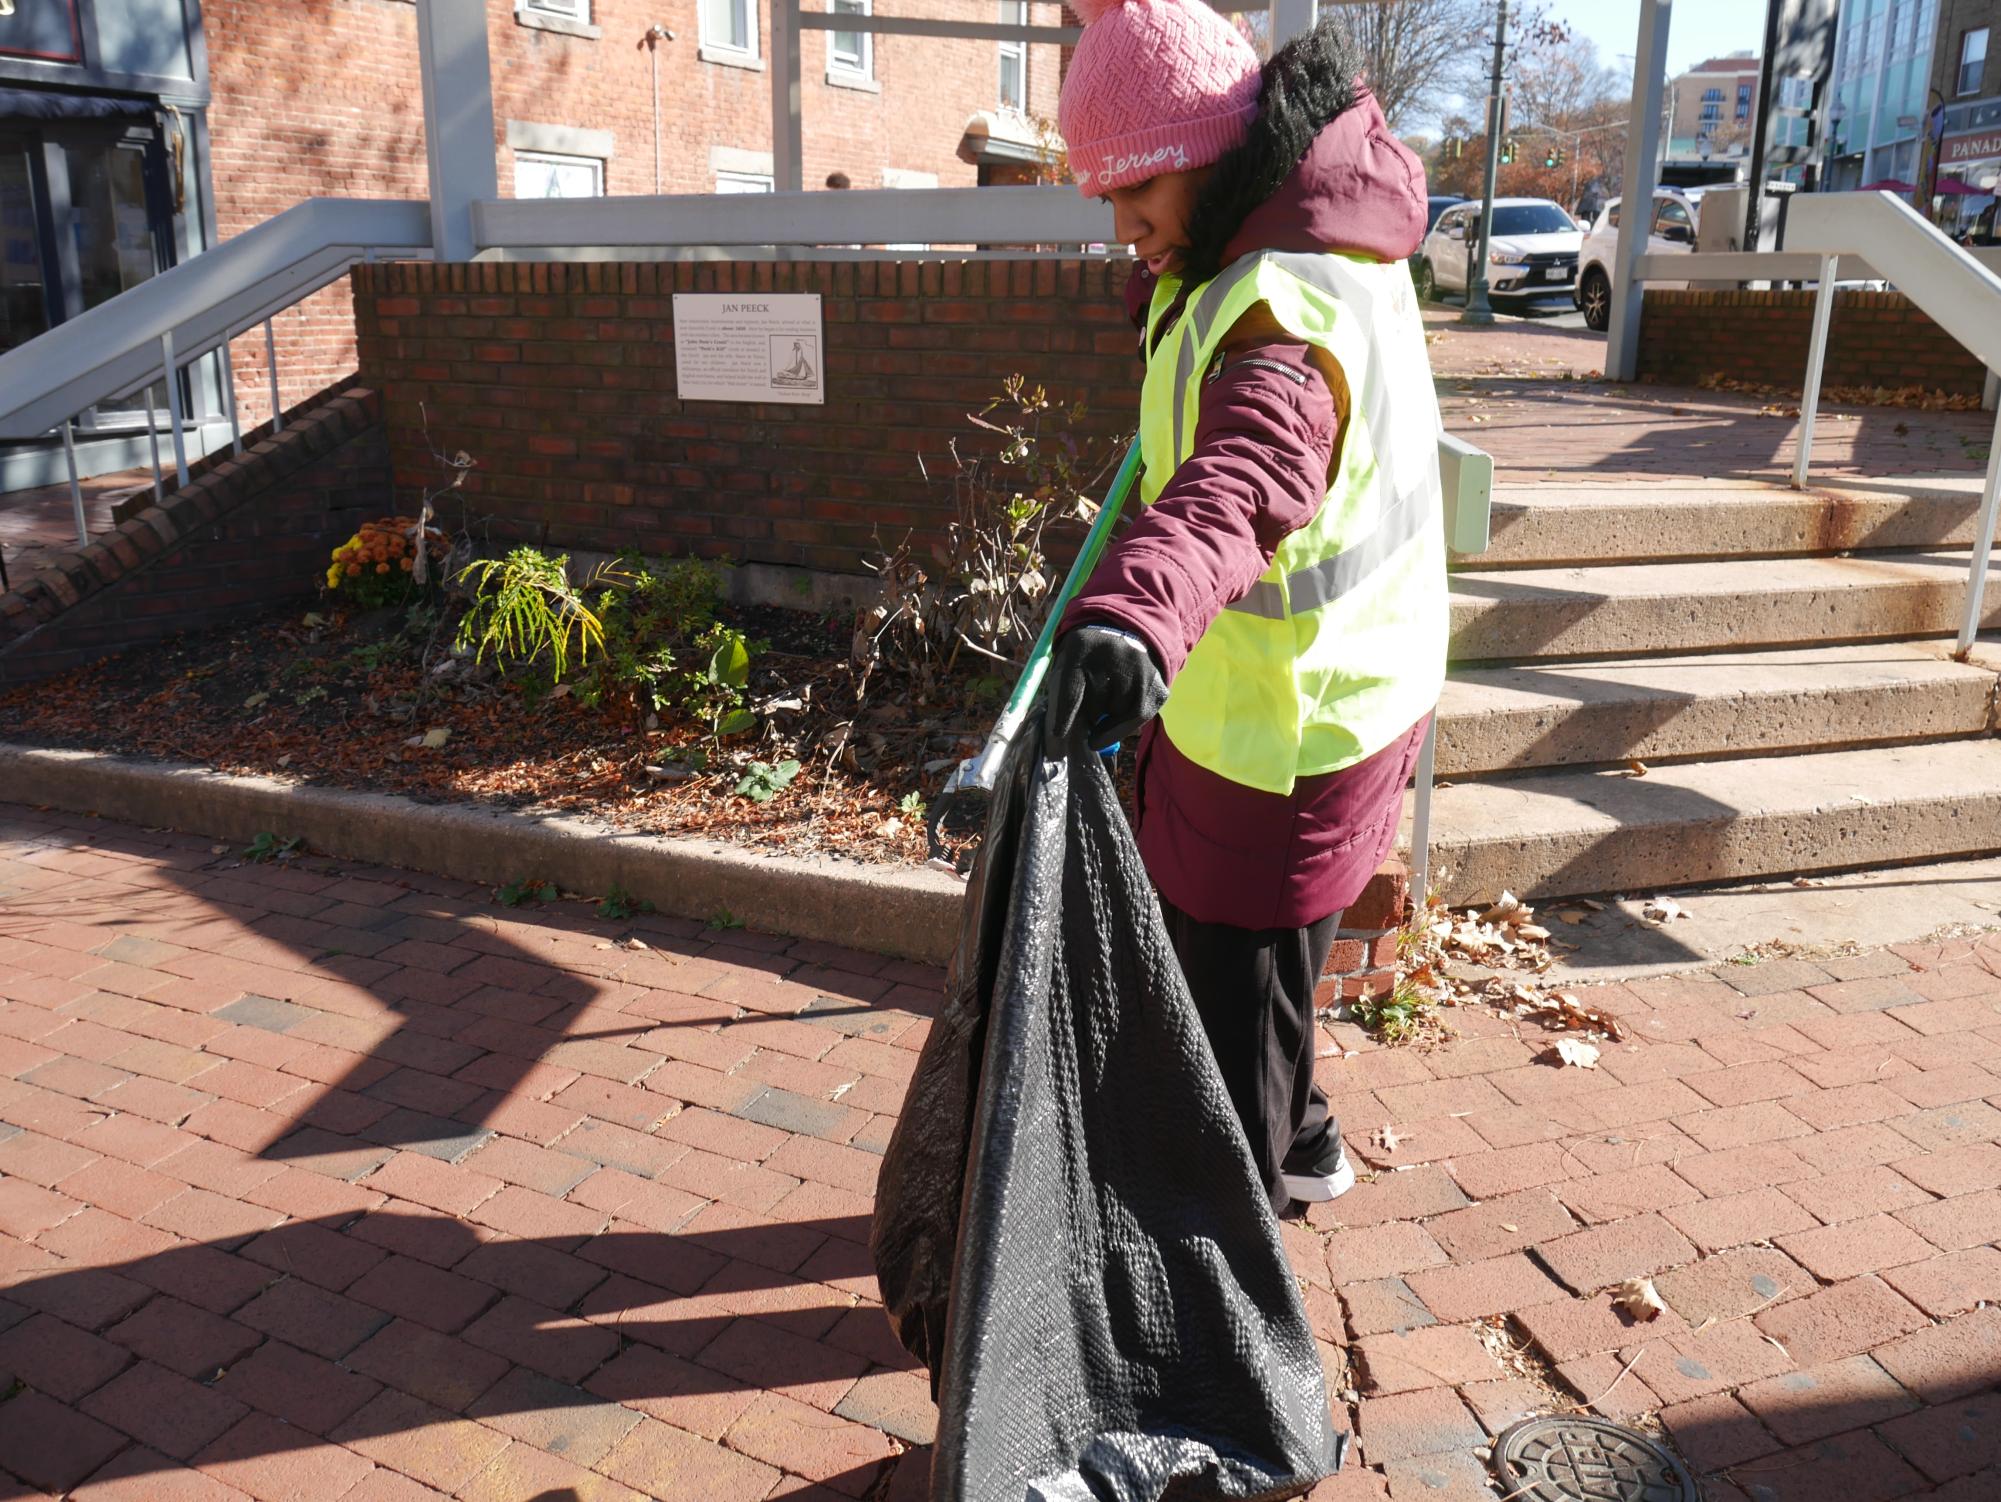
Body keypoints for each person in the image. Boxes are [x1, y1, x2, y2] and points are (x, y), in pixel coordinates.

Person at [1041, 0, 1446, 1215]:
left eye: (1139, 190)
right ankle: (1305, 1136)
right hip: (1299, 691)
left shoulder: (1281, 304)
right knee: (1259, 984)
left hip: (1290, 724)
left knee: (1235, 1005)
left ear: (1214, 156)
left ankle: (1232, 1255)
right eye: (1104, 198)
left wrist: (1136, 616)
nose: (1123, 227)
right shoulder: (1262, 250)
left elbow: (1249, 472)